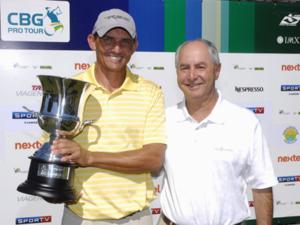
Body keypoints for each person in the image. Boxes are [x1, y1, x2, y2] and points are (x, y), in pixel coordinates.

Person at [50, 8, 167, 225]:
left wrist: (89, 157)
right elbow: (52, 150)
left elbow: (153, 159)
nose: (116, 48)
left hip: (136, 218)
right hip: (81, 217)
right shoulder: (70, 89)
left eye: (125, 41)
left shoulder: (151, 91)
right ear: (92, 41)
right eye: (108, 40)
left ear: (135, 46)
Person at [158, 39, 278, 225]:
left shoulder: (244, 122)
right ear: (176, 72)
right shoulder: (163, 120)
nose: (191, 75)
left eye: (200, 67)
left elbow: (262, 186)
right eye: (184, 67)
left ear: (217, 70)